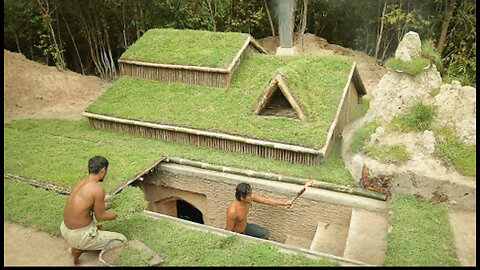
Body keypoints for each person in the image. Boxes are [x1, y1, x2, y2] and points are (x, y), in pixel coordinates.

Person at [60, 156, 127, 265]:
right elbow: (100, 217)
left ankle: (77, 247)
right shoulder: (97, 189)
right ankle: (78, 249)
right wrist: (117, 214)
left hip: (65, 229)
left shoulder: (81, 183)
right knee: (122, 240)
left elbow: (90, 206)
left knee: (93, 227)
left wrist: (109, 205)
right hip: (79, 236)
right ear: (103, 170)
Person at [225, 182, 293, 239]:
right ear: (242, 198)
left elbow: (266, 201)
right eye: (249, 195)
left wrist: (285, 203)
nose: (251, 196)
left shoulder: (249, 198)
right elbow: (228, 231)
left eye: (251, 194)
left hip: (246, 227)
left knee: (265, 234)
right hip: (238, 235)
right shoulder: (232, 211)